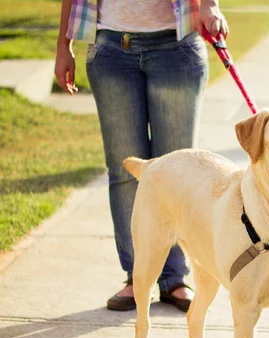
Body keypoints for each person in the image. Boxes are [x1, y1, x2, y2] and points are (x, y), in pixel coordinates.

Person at [54, 0, 228, 312]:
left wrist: (211, 5)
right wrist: (62, 45)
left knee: (180, 175)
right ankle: (137, 276)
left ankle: (174, 277)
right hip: (110, 48)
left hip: (175, 45)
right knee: (124, 171)